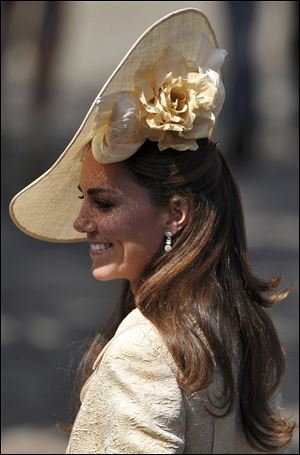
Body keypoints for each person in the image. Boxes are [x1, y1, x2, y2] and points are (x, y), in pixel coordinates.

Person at [9, 8, 295, 454]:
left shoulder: (143, 353)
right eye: (82, 199)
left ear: (176, 212)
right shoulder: (242, 326)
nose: (82, 222)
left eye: (103, 202)